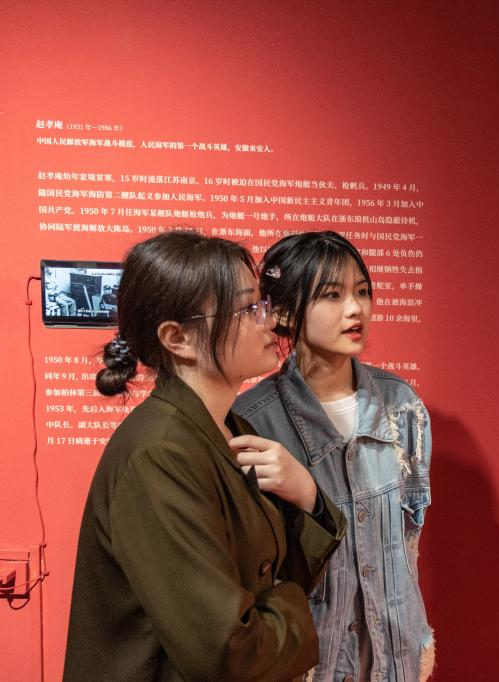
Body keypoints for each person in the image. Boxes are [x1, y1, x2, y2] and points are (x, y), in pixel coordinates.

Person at [65, 231, 347, 681]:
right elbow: (227, 650)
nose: (269, 321)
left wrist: (307, 495)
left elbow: (270, 568)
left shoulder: (230, 428)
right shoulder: (160, 454)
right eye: (248, 309)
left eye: (262, 303)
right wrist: (293, 606)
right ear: (178, 338)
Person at [234, 231, 435, 682]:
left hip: (396, 660)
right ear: (284, 312)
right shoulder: (252, 420)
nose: (355, 309)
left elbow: (408, 546)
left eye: (361, 292)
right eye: (332, 295)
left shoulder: (402, 406)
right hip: (310, 664)